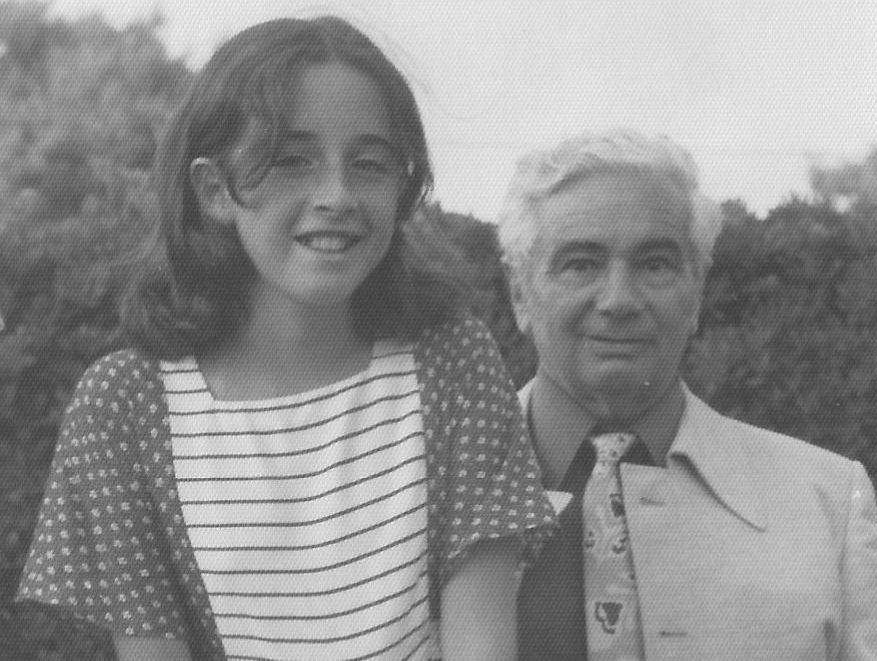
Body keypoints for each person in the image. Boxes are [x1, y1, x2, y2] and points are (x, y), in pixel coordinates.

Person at [17, 17, 556, 661]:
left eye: (370, 163)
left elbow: (482, 643)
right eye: (291, 160)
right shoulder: (124, 406)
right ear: (215, 191)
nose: (337, 194)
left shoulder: (452, 363)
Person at [498, 129, 877, 660]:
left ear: (698, 293)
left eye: (655, 264)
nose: (619, 300)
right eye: (581, 263)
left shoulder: (827, 502)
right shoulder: (420, 494)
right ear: (521, 294)